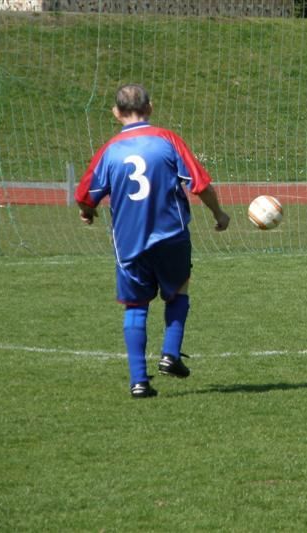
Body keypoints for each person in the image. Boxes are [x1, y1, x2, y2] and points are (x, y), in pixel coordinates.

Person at [75, 83, 230, 398]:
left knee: (135, 305)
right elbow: (200, 185)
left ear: (115, 112)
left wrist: (88, 212)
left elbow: (85, 195)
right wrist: (219, 214)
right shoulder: (167, 140)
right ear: (150, 107)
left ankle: (138, 382)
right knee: (179, 288)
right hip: (171, 235)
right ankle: (170, 354)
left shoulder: (109, 150)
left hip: (129, 242)